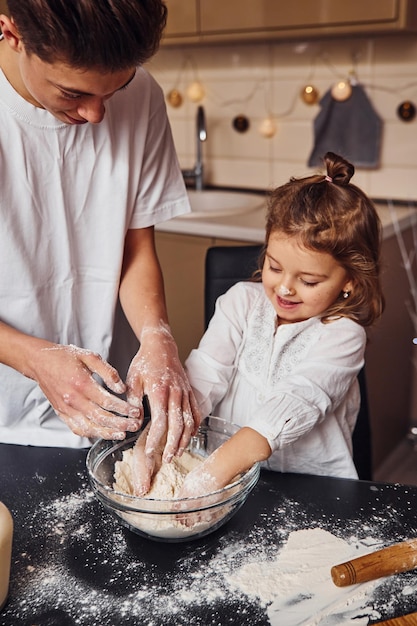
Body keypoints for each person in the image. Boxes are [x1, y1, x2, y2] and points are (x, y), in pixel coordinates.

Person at [0, 0, 200, 491]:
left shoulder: (143, 95)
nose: (95, 114)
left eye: (116, 89)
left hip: (108, 408)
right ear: (11, 33)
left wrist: (157, 338)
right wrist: (33, 359)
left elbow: (135, 250)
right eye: (73, 92)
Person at [179, 152, 384, 498]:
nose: (285, 287)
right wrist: (171, 433)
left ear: (349, 280)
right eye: (274, 267)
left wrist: (211, 474)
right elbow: (205, 375)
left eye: (309, 280)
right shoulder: (241, 301)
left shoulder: (344, 335)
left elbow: (296, 400)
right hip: (228, 483)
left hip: (313, 490)